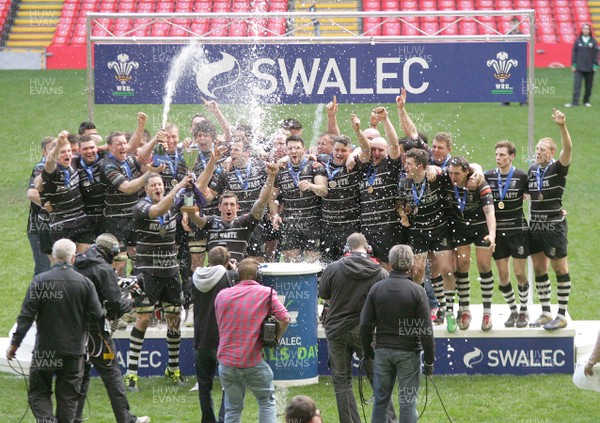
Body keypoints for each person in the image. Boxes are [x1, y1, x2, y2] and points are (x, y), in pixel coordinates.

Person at [6, 239, 104, 423]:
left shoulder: (40, 282)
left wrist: (15, 344)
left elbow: (26, 316)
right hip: (73, 352)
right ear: (73, 258)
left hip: (46, 350)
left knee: (39, 392)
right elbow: (97, 315)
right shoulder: (84, 284)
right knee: (68, 399)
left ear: (52, 257)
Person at [123, 174, 193, 391]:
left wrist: (209, 163)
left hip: (170, 273)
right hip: (147, 272)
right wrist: (178, 187)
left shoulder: (173, 203)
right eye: (153, 185)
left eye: (160, 185)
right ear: (146, 189)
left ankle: (173, 368)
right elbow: (157, 211)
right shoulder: (141, 207)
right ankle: (131, 374)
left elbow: (196, 191)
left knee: (173, 320)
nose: (157, 188)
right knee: (143, 319)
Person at [73, 233, 150, 423]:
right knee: (111, 374)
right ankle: (126, 419)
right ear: (111, 251)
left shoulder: (79, 261)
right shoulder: (103, 269)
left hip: (73, 327)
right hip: (95, 331)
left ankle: (73, 418)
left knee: (80, 375)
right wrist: (132, 301)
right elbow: (116, 305)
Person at [319, 232, 395, 423]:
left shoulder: (333, 268)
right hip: (367, 333)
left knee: (342, 383)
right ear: (368, 249)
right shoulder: (380, 273)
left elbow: (323, 293)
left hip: (337, 331)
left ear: (347, 249)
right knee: (378, 380)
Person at [360, 244, 434, 423]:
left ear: (390, 264)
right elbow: (426, 330)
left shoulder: (377, 289)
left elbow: (364, 324)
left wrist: (368, 350)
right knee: (407, 403)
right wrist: (429, 360)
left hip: (383, 351)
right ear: (411, 265)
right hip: (409, 352)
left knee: (381, 402)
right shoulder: (417, 291)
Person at [215, 258, 290, 423]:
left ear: (237, 277)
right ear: (258, 277)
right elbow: (285, 318)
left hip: (226, 362)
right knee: (266, 402)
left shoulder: (221, 295)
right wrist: (275, 338)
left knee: (232, 409)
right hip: (251, 361)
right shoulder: (266, 293)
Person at [399, 148, 457, 332]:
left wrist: (435, 168)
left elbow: (466, 169)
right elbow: (399, 203)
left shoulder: (436, 177)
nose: (405, 166)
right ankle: (421, 310)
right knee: (417, 273)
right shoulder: (404, 183)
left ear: (421, 166)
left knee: (446, 271)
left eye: (409, 163)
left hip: (439, 231)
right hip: (417, 233)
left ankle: (448, 311)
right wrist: (402, 215)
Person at [188, 150, 279, 263]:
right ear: (219, 207)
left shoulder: (244, 222)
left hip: (235, 275)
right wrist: (189, 191)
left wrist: (271, 176)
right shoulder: (212, 222)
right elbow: (193, 214)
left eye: (232, 204)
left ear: (237, 208)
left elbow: (262, 201)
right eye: (225, 204)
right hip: (216, 275)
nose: (229, 208)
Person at [527, 109, 573, 330]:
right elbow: (527, 194)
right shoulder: (533, 169)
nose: (538, 152)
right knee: (539, 269)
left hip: (553, 226)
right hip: (535, 225)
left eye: (542, 149)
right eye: (537, 149)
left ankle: (561, 314)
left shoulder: (558, 168)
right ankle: (545, 312)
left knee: (560, 269)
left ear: (552, 151)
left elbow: (568, 148)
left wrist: (562, 126)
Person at [446, 156, 496, 331]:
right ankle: (465, 309)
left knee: (483, 264)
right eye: (451, 173)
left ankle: (487, 312)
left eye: (457, 174)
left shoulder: (480, 183)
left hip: (481, 228)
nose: (453, 177)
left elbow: (489, 211)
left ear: (466, 172)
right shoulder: (448, 181)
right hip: (460, 228)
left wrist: (492, 234)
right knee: (462, 264)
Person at [484, 141, 531, 328]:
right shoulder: (488, 176)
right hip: (498, 232)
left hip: (518, 230)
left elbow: (532, 196)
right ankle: (513, 310)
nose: (498, 158)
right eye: (496, 154)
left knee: (519, 273)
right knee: (503, 274)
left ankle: (524, 311)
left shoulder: (521, 176)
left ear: (512, 156)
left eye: (502, 155)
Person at [191, 246, 236, 423]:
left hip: (201, 338)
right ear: (226, 262)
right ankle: (223, 419)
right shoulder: (229, 276)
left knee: (204, 387)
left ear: (208, 260)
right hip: (223, 339)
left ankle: (208, 420)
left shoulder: (194, 278)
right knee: (228, 385)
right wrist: (234, 271)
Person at [270, 135, 327, 263]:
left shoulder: (315, 166)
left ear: (303, 149)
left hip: (313, 223)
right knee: (292, 265)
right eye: (290, 148)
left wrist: (311, 186)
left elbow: (323, 190)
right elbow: (272, 198)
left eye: (297, 148)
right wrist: (275, 214)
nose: (293, 151)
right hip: (290, 224)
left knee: (313, 265)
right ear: (286, 151)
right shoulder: (281, 170)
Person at [37, 130, 93, 252]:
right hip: (61, 224)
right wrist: (58, 145)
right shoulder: (52, 171)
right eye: (63, 152)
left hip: (81, 220)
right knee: (66, 263)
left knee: (86, 260)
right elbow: (49, 162)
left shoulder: (73, 161)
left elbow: (86, 152)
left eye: (68, 151)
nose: (67, 154)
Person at [26, 136, 53, 276]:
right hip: (38, 227)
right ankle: (39, 297)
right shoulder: (40, 168)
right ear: (43, 152)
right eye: (50, 149)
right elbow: (31, 193)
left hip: (55, 225)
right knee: (44, 269)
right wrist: (53, 207)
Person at [565, 23, 598, 108]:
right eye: (584, 29)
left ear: (589, 30)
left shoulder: (593, 41)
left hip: (590, 68)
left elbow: (596, 54)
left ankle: (586, 101)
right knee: (577, 85)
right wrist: (573, 64)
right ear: (582, 30)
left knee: (588, 85)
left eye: (587, 29)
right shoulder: (578, 40)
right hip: (579, 67)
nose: (586, 30)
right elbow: (574, 53)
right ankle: (574, 102)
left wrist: (595, 65)